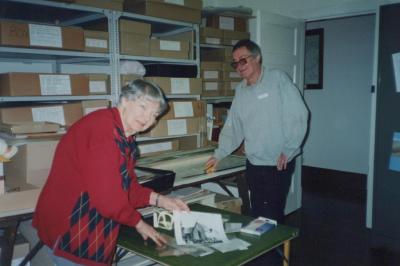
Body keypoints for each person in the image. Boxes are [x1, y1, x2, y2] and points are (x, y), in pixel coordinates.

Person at [32, 79, 189, 266]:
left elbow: (127, 186)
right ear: (124, 101)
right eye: (142, 107)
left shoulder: (124, 135)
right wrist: (139, 223)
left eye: (154, 114)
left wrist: (162, 200)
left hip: (86, 222)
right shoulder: (103, 132)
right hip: (71, 229)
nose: (147, 118)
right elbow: (109, 200)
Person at [205, 39, 308, 224]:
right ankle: (262, 252)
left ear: (257, 57)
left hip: (279, 161)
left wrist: (289, 149)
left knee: (272, 214)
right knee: (257, 212)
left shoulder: (277, 79)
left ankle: (275, 252)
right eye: (235, 63)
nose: (239, 66)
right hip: (254, 163)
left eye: (243, 60)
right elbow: (233, 126)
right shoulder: (241, 90)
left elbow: (298, 114)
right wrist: (219, 154)